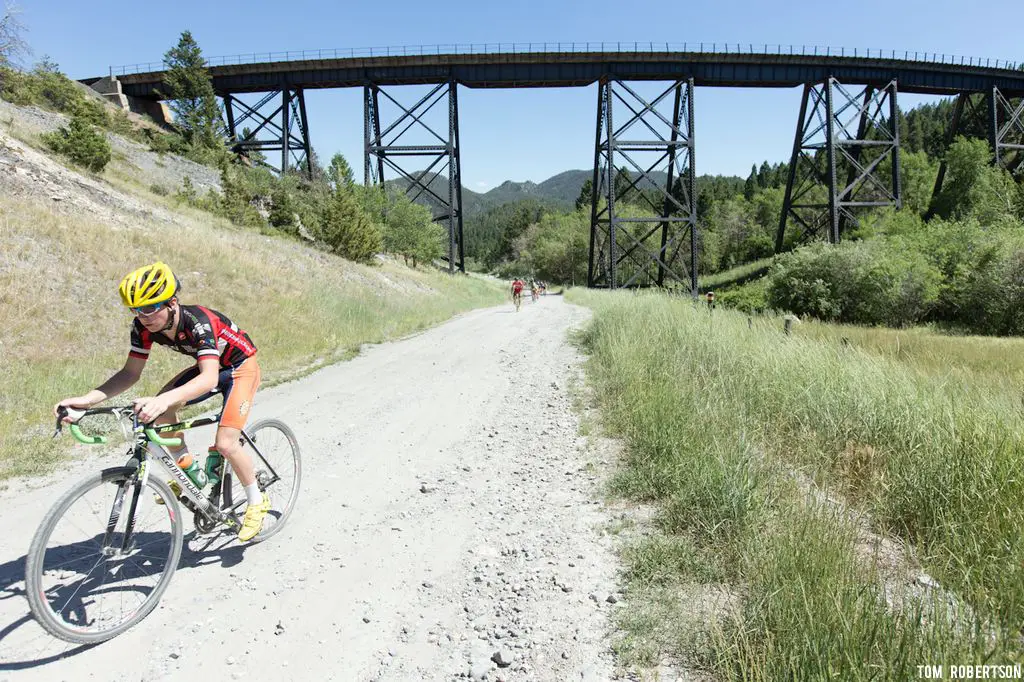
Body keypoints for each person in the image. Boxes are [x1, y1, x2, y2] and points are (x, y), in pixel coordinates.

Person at [54, 262, 270, 542]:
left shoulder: (197, 322)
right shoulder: (142, 327)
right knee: (163, 409)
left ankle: (257, 500)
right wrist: (85, 401)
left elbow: (207, 379)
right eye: (135, 309)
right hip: (213, 367)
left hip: (241, 367)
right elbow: (130, 373)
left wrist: (163, 400)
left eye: (148, 308)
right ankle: (192, 472)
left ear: (172, 303)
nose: (142, 316)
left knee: (227, 442)